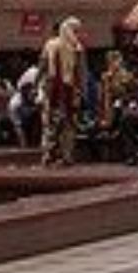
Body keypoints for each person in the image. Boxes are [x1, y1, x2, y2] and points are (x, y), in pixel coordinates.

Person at [38, 17, 85, 167]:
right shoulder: (77, 47)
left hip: (55, 88)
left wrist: (37, 83)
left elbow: (42, 65)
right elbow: (80, 72)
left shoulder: (51, 44)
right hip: (65, 89)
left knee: (52, 122)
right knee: (67, 123)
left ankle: (50, 154)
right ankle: (65, 155)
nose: (77, 34)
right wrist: (81, 90)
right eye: (75, 30)